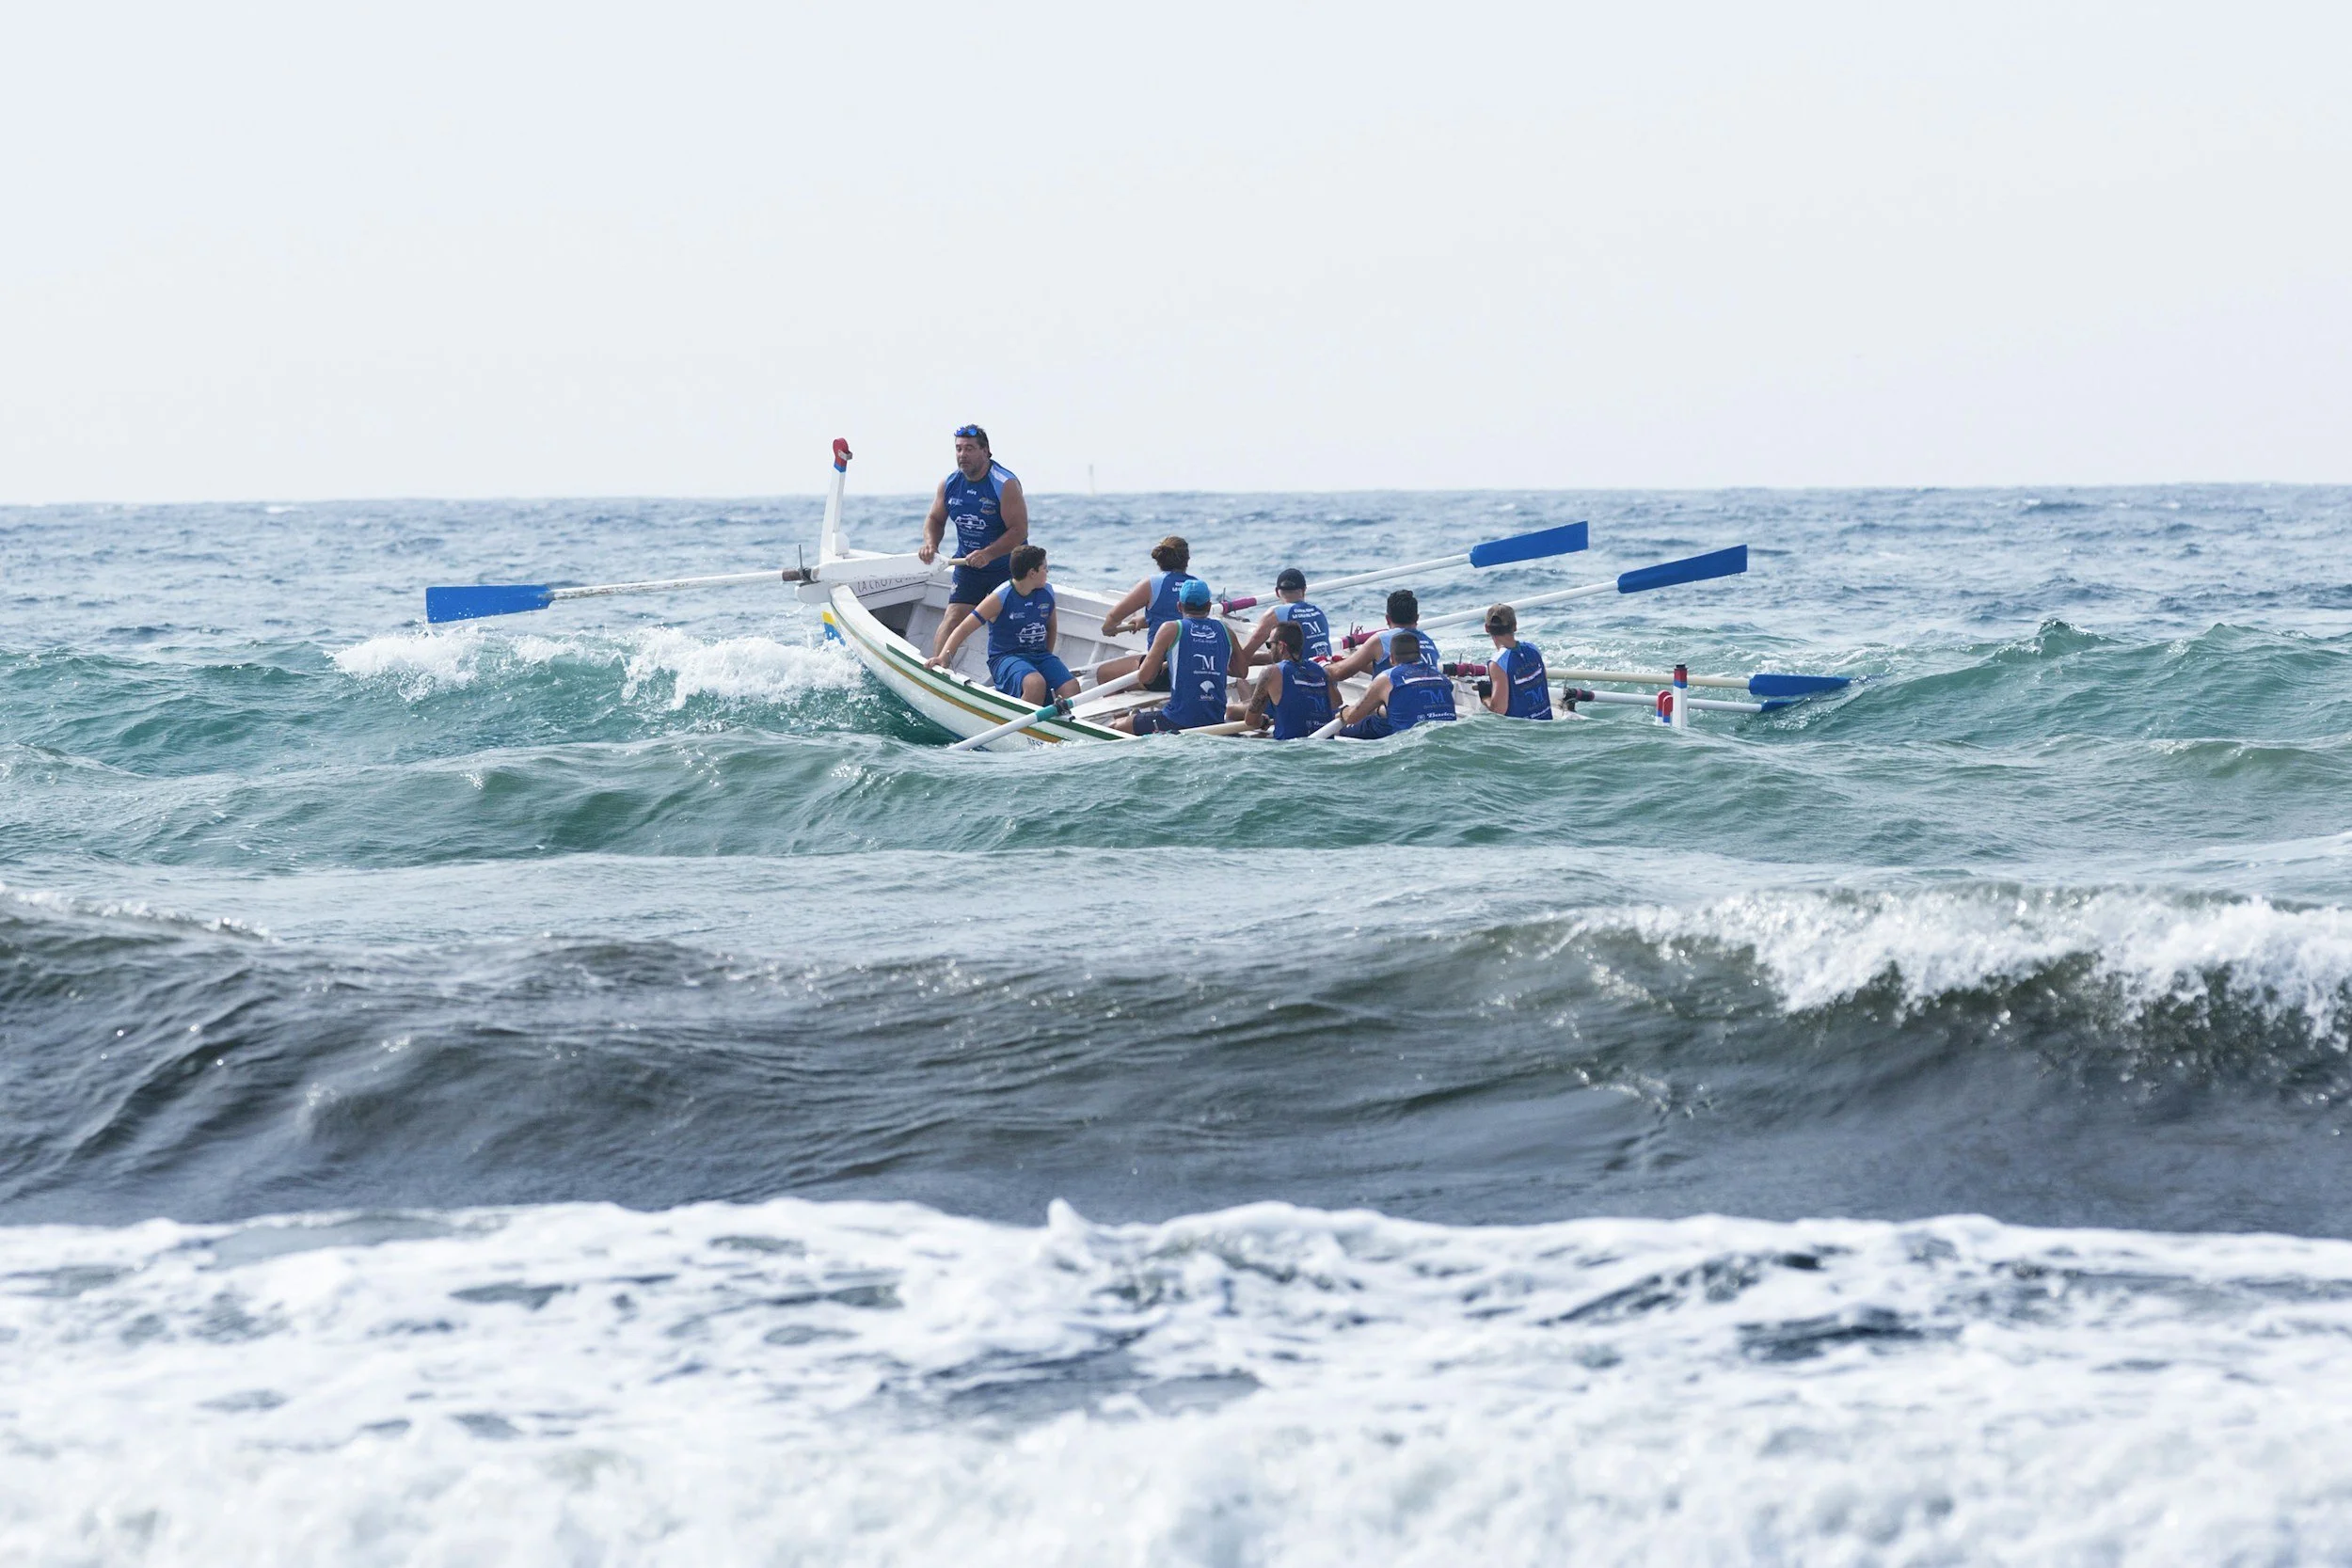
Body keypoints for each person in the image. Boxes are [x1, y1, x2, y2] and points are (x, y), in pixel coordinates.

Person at [919, 425, 1028, 659]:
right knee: (953, 618)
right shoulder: (949, 484)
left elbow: (1019, 531)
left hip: (1006, 567)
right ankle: (937, 669)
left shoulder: (1004, 483)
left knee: (1009, 627)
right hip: (969, 566)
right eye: (958, 449)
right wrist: (931, 544)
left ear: (986, 451)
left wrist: (989, 554)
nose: (962, 455)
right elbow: (935, 519)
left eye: (969, 449)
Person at [925, 544, 1078, 705]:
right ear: (1032, 573)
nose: (1047, 572)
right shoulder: (999, 598)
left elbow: (1051, 627)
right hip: (1006, 657)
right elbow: (963, 628)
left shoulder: (1047, 592)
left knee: (1071, 687)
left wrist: (1047, 659)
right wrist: (943, 657)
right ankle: (1022, 725)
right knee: (1035, 684)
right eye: (1045, 568)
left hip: (1040, 655)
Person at [1114, 578, 1233, 734]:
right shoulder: (1225, 630)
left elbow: (1145, 677)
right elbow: (1241, 671)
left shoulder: (1171, 629)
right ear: (1209, 606)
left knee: (1116, 727)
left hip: (1177, 720)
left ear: (1179, 606)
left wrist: (1162, 663)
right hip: (1215, 721)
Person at [1092, 535, 1198, 689]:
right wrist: (1147, 619)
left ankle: (1125, 715)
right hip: (1194, 670)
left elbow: (1113, 618)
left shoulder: (1152, 584)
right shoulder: (1196, 586)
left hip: (1162, 675)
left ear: (1159, 560)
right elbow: (1182, 617)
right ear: (1187, 560)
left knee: (1103, 673)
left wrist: (1109, 629)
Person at [1335, 627, 1458, 739]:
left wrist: (1342, 712)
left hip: (1409, 743)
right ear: (1419, 656)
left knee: (1337, 729)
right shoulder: (1443, 679)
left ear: (1392, 658)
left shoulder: (1386, 678)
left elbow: (1353, 717)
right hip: (1446, 737)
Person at [1322, 588, 1442, 682]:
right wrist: (1351, 661)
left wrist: (1322, 664)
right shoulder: (1429, 642)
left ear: (1387, 619)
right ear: (1417, 618)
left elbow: (1339, 673)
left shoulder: (1381, 640)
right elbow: (1401, 670)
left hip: (1394, 710)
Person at [1241, 621, 1335, 738]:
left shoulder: (1271, 672)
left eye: (1270, 645)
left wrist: (1263, 721)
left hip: (1290, 751)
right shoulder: (1322, 671)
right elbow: (1336, 702)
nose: (1269, 650)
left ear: (1281, 646)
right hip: (1324, 745)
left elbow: (1250, 721)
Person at [1235, 567, 1332, 668]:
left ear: (1277, 592)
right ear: (1304, 590)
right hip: (1325, 673)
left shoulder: (1275, 613)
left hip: (1302, 676)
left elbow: (1245, 655)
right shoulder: (1318, 612)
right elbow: (1305, 654)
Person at [1481, 603, 1554, 720]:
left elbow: (1499, 710)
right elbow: (1543, 681)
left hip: (1520, 733)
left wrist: (1485, 697)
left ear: (1486, 628)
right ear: (1515, 626)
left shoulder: (1497, 663)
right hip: (1546, 724)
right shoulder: (1533, 649)